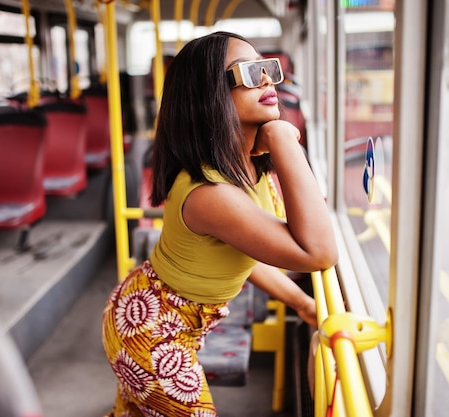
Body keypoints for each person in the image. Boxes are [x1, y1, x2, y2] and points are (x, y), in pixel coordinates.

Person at [101, 31, 338, 416]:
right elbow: (318, 252)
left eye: (267, 68)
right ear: (208, 95)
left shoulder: (247, 165)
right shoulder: (211, 193)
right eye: (247, 72)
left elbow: (252, 250)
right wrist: (283, 139)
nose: (266, 79)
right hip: (148, 329)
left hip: (165, 318)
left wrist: (302, 303)